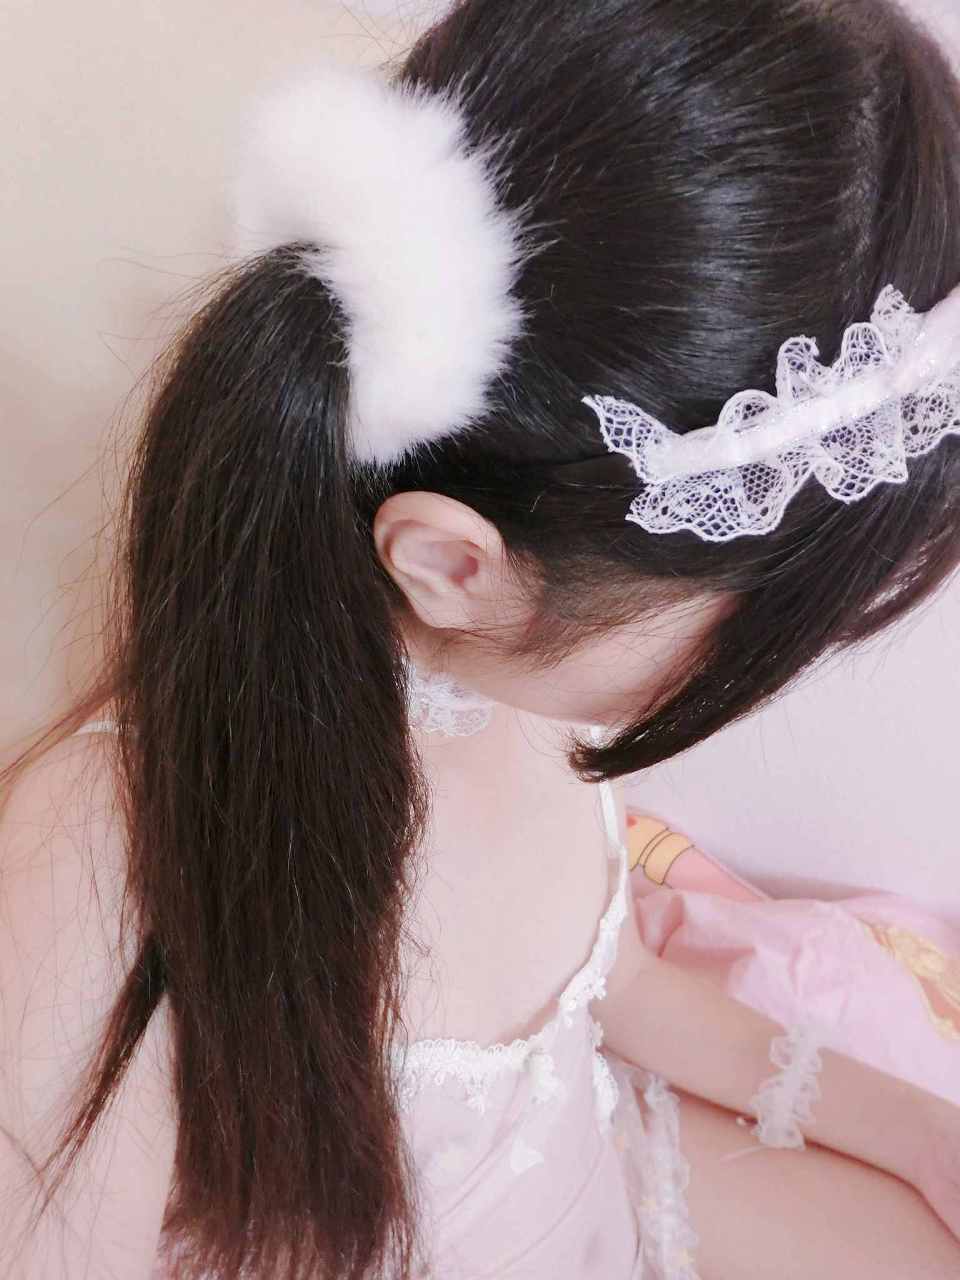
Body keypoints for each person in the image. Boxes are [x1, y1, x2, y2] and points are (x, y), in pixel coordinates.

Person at [2, 1, 960, 1276]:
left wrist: (922, 1133)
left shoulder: (526, 696)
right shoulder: (96, 892)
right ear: (455, 566)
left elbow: (605, 980)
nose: (767, 674)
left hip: (595, 1180)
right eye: (755, 630)